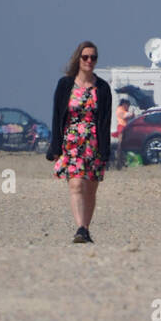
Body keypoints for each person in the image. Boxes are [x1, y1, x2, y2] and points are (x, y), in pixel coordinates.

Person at [46, 41, 112, 244]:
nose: (89, 61)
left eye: (93, 57)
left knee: (90, 189)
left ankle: (86, 228)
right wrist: (55, 146)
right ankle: (81, 228)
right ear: (78, 59)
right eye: (85, 57)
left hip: (93, 143)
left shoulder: (102, 88)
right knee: (75, 185)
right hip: (71, 142)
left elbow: (106, 120)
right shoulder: (65, 85)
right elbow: (57, 116)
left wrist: (105, 150)